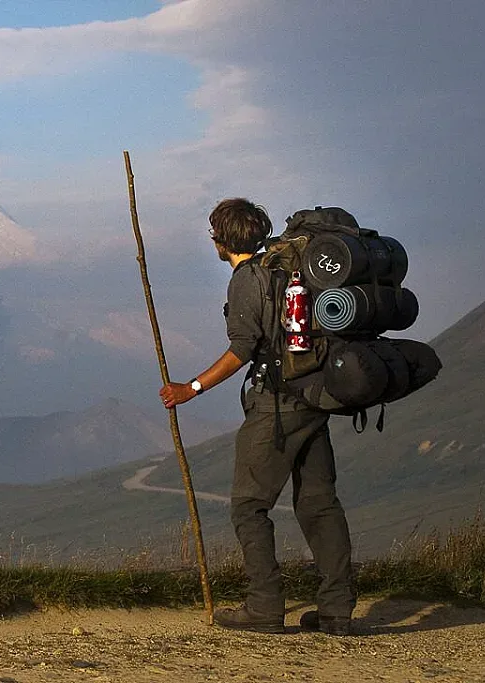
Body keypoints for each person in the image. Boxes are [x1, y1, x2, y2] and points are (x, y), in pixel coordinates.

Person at [159, 198, 355, 636]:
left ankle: (264, 606)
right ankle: (337, 610)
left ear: (221, 240)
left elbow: (241, 349)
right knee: (320, 504)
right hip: (316, 397)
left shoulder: (248, 279)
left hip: (277, 405)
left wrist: (190, 389)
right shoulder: (289, 267)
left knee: (249, 506)